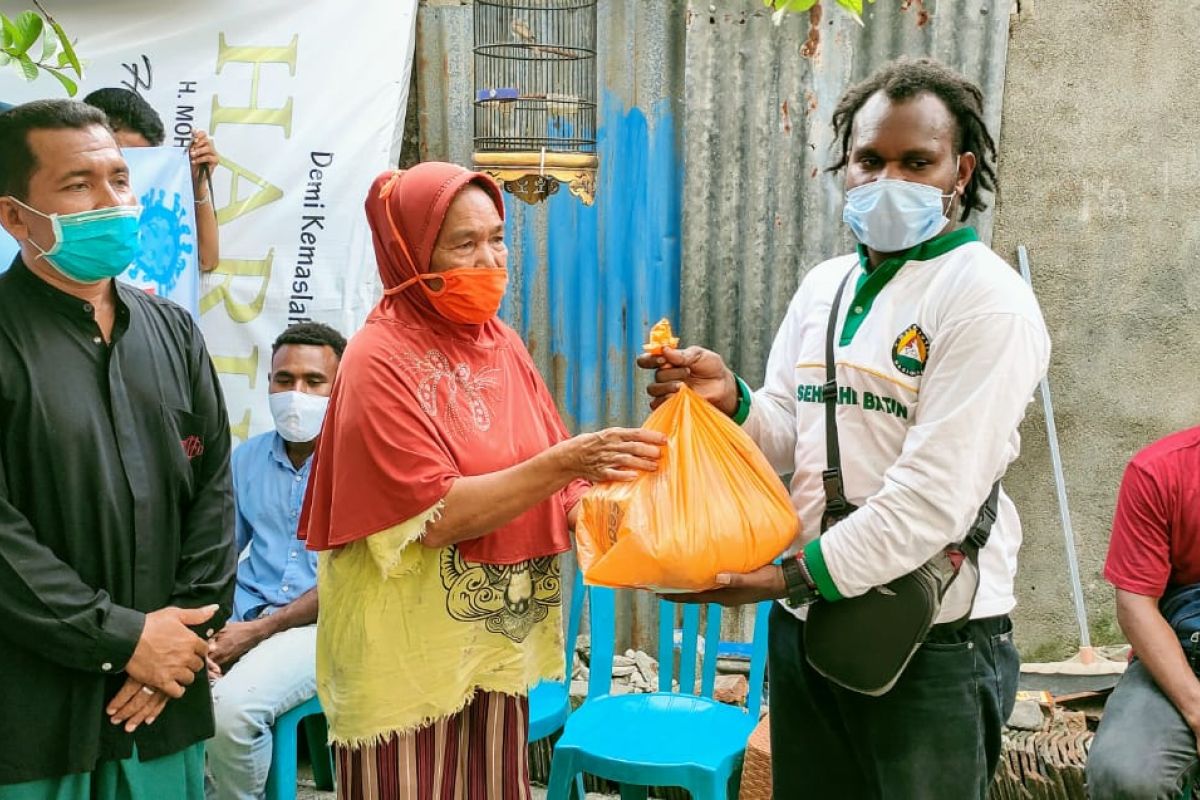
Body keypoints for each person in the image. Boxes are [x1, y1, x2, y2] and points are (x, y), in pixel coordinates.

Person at [639, 58, 1051, 799]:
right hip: (807, 628)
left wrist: (782, 577)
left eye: (916, 162)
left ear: (960, 171)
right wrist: (732, 401)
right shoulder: (824, 287)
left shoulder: (988, 302)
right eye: (870, 160)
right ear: (845, 166)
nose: (887, 178)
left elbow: (932, 499)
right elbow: (791, 437)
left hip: (929, 641)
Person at [298, 162, 665, 800]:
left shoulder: (501, 342)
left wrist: (621, 509)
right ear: (411, 252)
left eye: (497, 238)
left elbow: (554, 470)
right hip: (405, 658)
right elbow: (436, 515)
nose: (490, 259)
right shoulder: (377, 359)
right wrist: (571, 464)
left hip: (493, 645)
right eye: (464, 244)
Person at [0, 99, 234, 797]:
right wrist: (124, 638)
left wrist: (178, 646)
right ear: (15, 216)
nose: (112, 201)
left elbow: (214, 494)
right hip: (38, 717)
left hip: (163, 707)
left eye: (120, 179)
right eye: (79, 185)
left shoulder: (173, 332)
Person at [206, 322, 346, 800]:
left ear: (340, 387)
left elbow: (348, 584)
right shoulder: (247, 458)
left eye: (313, 381)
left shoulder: (358, 466)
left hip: (322, 629)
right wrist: (201, 627)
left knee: (231, 712)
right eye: (283, 380)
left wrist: (257, 632)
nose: (295, 394)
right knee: (160, 674)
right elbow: (219, 553)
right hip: (245, 613)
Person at [1086, 426, 1200, 798]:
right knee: (1125, 774)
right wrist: (1197, 711)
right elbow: (1136, 604)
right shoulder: (1159, 471)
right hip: (1180, 657)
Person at [83, 87, 220, 271]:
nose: (127, 172)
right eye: (122, 156)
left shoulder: (153, 202)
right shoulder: (65, 201)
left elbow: (206, 260)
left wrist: (198, 183)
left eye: (141, 161)